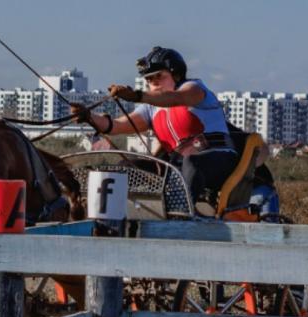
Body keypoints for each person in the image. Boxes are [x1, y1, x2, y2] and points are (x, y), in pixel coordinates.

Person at [71, 46, 238, 215]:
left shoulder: (195, 89)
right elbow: (116, 125)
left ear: (177, 74)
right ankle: (110, 217)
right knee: (128, 166)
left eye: (159, 76)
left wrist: (137, 96)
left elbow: (176, 98)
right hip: (178, 168)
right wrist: (89, 116)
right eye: (149, 79)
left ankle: (179, 215)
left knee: (192, 162)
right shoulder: (151, 109)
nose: (154, 82)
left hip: (219, 158)